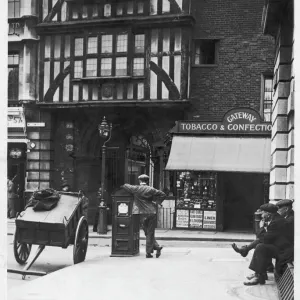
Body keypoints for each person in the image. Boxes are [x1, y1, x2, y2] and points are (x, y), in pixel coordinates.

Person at [243, 203, 291, 285]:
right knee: (261, 247)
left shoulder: (277, 222)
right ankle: (259, 275)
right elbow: (266, 238)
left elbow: (265, 239)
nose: (262, 214)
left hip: (284, 251)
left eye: (263, 212)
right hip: (280, 247)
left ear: (268, 213)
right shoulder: (275, 219)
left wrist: (261, 227)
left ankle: (258, 276)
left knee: (261, 247)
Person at [121, 174, 166, 258]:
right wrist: (157, 202)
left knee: (147, 232)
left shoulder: (136, 189)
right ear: (147, 181)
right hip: (152, 212)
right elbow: (163, 194)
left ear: (139, 181)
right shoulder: (151, 189)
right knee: (149, 233)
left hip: (142, 213)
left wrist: (123, 184)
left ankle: (149, 252)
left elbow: (126, 186)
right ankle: (156, 247)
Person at [274, 199, 294, 277]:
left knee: (262, 245)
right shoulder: (287, 216)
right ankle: (260, 272)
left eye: (278, 209)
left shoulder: (291, 219)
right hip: (284, 244)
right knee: (262, 244)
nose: (277, 211)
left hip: (289, 247)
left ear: (286, 209)